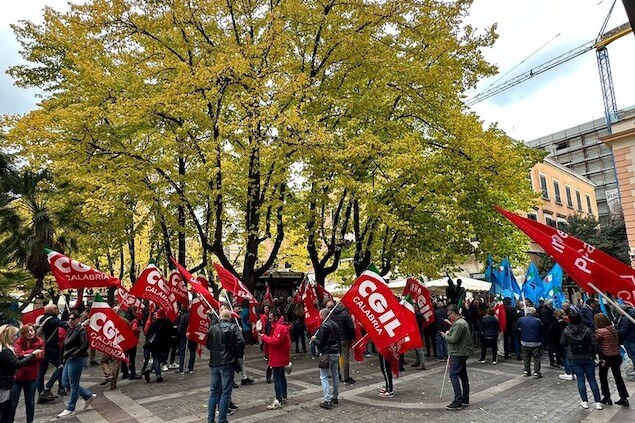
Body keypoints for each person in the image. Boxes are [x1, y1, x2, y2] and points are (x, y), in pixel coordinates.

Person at [206, 309, 244, 423]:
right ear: (230, 317)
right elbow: (241, 342)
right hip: (227, 362)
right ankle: (222, 420)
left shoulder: (212, 328)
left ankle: (210, 419)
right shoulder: (233, 327)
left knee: (213, 392)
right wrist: (237, 355)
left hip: (214, 363)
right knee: (226, 392)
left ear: (220, 317)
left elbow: (208, 345)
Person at [57, 310, 96, 418]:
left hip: (77, 358)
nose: (70, 321)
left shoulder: (81, 330)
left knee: (73, 383)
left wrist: (74, 354)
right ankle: (87, 395)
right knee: (65, 383)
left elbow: (85, 344)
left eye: (73, 319)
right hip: (69, 358)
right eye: (69, 319)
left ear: (78, 319)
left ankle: (70, 408)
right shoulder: (71, 329)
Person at [0, 324, 42, 423]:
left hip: (28, 377)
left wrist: (26, 354)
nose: (15, 337)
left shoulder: (39, 341)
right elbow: (17, 363)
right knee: (8, 406)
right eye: (14, 335)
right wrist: (32, 354)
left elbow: (40, 357)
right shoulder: (6, 350)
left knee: (28, 402)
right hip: (10, 381)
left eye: (32, 330)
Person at [561, 312, 603, 410]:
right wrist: (598, 354)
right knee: (592, 379)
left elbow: (562, 343)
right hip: (588, 356)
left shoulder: (566, 331)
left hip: (574, 357)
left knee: (580, 379)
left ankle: (584, 401)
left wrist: (569, 347)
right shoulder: (587, 330)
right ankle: (598, 402)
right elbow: (594, 344)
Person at [441, 304, 473, 410]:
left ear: (453, 313)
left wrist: (445, 336)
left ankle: (458, 400)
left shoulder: (459, 324)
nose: (449, 317)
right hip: (461, 352)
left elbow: (454, 339)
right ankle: (465, 398)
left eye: (449, 315)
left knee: (454, 375)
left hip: (458, 352)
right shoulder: (460, 323)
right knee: (463, 375)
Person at [594, 313, 629, 406]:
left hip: (606, 356)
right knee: (618, 377)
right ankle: (624, 397)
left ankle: (606, 396)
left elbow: (596, 343)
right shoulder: (612, 328)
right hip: (616, 355)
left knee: (603, 376)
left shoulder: (599, 331)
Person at [36, 304, 69, 403]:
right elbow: (66, 325)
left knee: (41, 371)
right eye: (56, 309)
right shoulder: (53, 320)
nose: (57, 310)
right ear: (52, 310)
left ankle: (41, 392)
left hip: (42, 349)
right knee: (61, 367)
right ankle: (47, 388)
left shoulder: (42, 319)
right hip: (52, 350)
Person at [260, 309, 291, 410]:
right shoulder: (280, 326)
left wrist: (264, 337)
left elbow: (275, 342)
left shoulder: (280, 328)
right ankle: (283, 395)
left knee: (277, 378)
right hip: (280, 356)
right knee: (281, 376)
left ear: (276, 318)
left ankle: (279, 399)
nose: (269, 320)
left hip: (278, 356)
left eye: (271, 318)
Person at [315, 307, 341, 409]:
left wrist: (315, 339)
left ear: (324, 315)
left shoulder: (324, 326)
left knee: (324, 376)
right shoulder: (335, 325)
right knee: (335, 375)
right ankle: (335, 396)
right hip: (335, 352)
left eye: (320, 315)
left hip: (327, 353)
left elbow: (320, 342)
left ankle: (327, 399)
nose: (319, 317)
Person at [327, 301, 356, 384]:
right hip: (345, 338)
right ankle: (346, 377)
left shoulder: (332, 314)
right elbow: (350, 326)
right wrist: (353, 337)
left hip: (336, 338)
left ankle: (337, 375)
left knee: (337, 356)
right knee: (345, 357)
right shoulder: (345, 313)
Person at [144, 308, 172, 383]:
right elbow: (171, 332)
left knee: (156, 359)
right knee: (161, 359)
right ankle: (158, 375)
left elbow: (148, 333)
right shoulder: (167, 322)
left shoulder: (154, 323)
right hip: (164, 344)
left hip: (155, 344)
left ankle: (150, 369)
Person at [517, 307, 544, 378]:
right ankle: (536, 372)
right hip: (536, 342)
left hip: (525, 341)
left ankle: (526, 371)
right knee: (537, 358)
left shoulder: (521, 319)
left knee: (526, 358)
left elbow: (518, 327)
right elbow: (542, 329)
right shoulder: (537, 321)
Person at [616, 304, 635, 379]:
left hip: (629, 339)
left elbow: (624, 330)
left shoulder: (626, 319)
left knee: (633, 356)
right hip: (630, 339)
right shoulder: (625, 317)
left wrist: (615, 332)